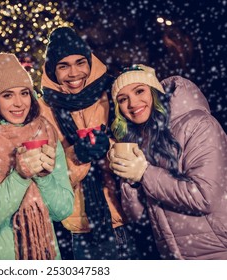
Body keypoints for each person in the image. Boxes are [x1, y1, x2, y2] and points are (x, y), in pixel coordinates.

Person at [0, 53, 74, 260]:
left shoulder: (47, 134)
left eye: (24, 93)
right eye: (7, 95)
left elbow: (63, 210)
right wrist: (20, 176)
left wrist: (44, 177)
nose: (19, 103)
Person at [108, 64, 227, 259]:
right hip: (174, 256)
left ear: (154, 92)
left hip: (216, 252)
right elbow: (138, 217)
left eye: (139, 91)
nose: (132, 103)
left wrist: (144, 173)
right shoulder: (141, 140)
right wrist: (130, 179)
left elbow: (204, 197)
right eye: (123, 99)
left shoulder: (198, 125)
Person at [38, 26, 138, 260]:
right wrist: (75, 157)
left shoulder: (114, 92)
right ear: (53, 71)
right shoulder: (43, 111)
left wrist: (109, 147)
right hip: (83, 228)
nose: (74, 73)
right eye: (63, 66)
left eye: (80, 62)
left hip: (131, 215)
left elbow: (141, 142)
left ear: (90, 61)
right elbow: (46, 181)